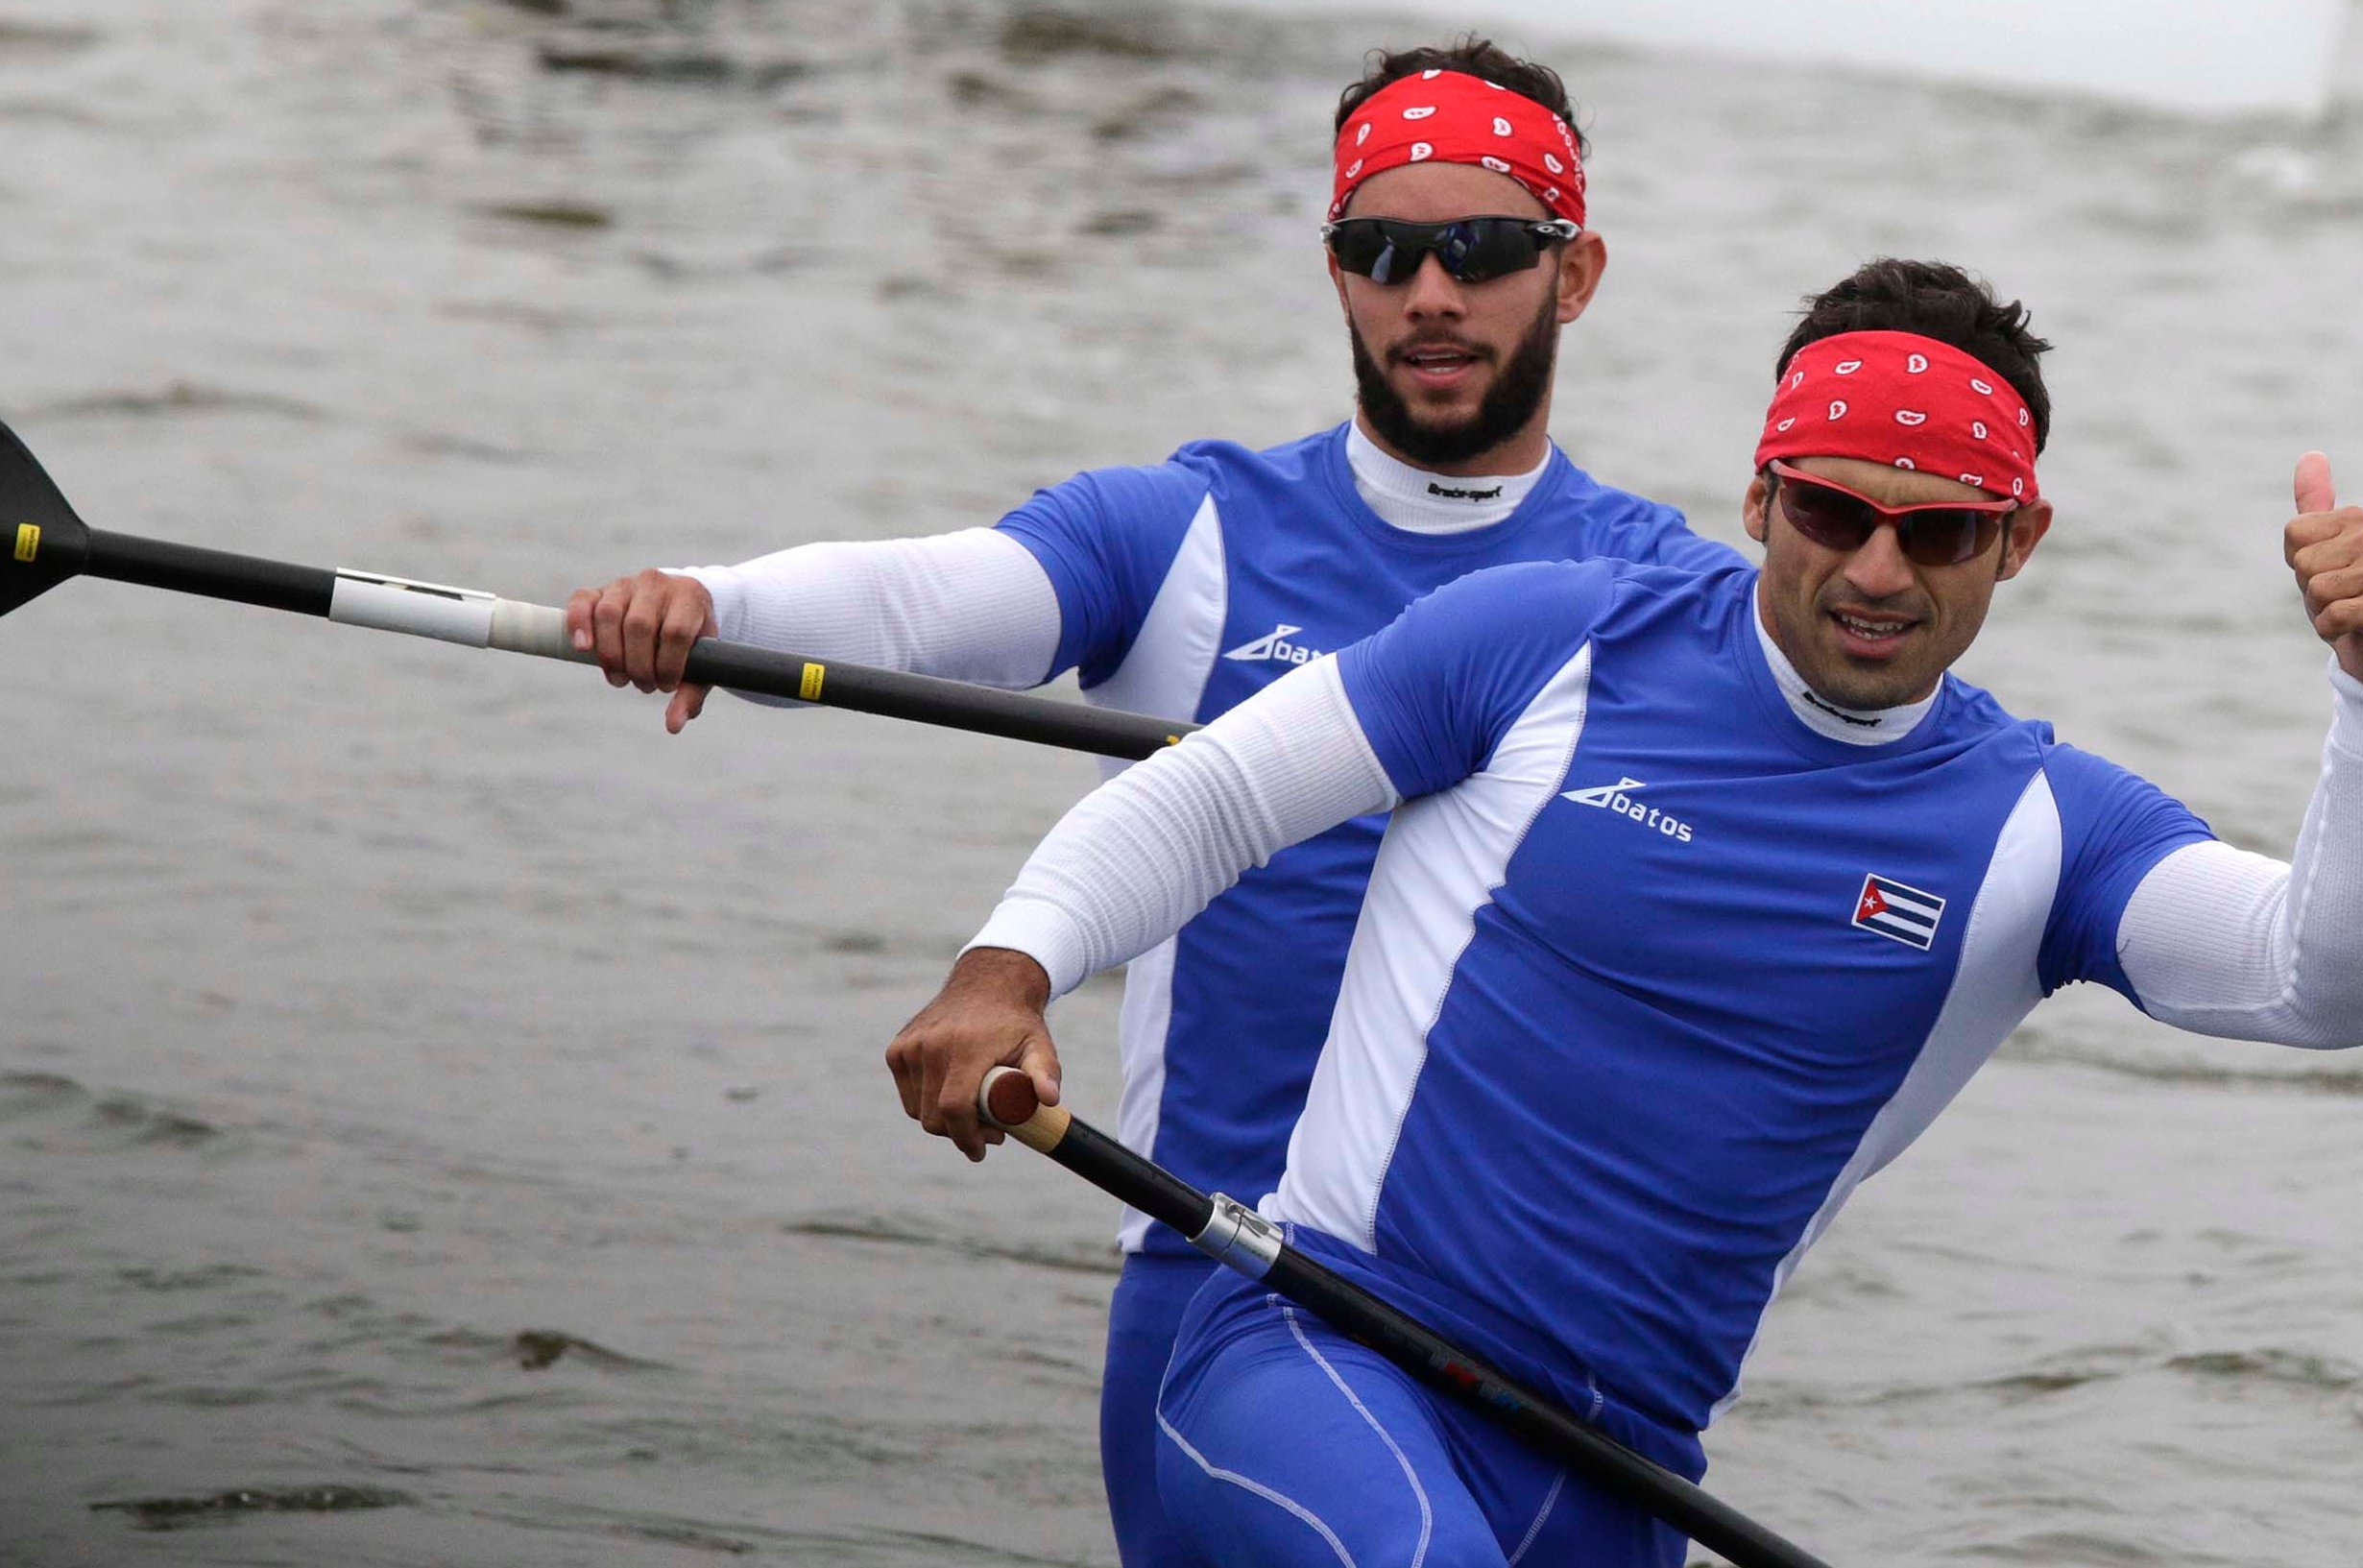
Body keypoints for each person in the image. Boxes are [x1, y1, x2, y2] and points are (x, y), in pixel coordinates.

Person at [888, 258, 2363, 1565]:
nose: (1878, 568)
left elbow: (2335, 981)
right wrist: (1002, 970)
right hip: (1316, 1345)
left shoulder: (2046, 828)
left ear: (2017, 543)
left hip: (1618, 1471)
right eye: (1834, 511)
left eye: (1942, 530)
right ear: (1763, 495)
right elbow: (1207, 797)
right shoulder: (1546, 641)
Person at [561, 38, 1739, 1568]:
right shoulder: (1191, 533)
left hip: (1540, 1346)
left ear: (1570, 276)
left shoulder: (1681, 603)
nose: (1428, 294)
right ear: (1336, 274)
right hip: (1223, 1292)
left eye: (1483, 249)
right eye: (1379, 250)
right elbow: (924, 599)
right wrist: (708, 597)